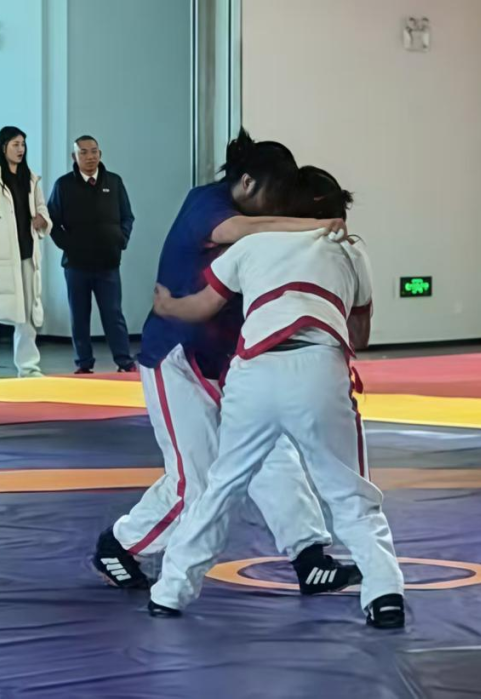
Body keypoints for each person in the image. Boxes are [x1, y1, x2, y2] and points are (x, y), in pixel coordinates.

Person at [92, 130, 360, 596]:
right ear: (248, 182)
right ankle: (120, 546)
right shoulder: (208, 203)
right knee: (194, 480)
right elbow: (237, 232)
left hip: (230, 362)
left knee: (273, 451)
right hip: (176, 358)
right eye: (276, 195)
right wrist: (318, 225)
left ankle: (310, 557)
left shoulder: (267, 226)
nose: (278, 208)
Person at [146, 166, 404, 627]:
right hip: (318, 368)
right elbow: (360, 334)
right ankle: (384, 593)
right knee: (348, 490)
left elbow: (201, 305)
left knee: (222, 486)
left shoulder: (253, 244)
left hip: (255, 371)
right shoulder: (350, 249)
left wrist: (165, 306)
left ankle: (169, 592)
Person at [0, 126, 52, 380]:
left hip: (26, 257)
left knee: (27, 315)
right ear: (3, 146)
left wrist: (43, 221)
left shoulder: (31, 179)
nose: (20, 149)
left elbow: (42, 209)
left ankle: (29, 367)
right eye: (15, 144)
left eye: (23, 144)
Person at [47, 136, 137, 374]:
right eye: (84, 152)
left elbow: (127, 216)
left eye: (94, 151)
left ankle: (124, 361)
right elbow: (51, 221)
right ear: (74, 157)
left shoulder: (113, 182)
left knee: (113, 314)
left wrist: (121, 240)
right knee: (79, 317)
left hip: (108, 263)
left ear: (100, 153)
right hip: (76, 265)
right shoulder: (63, 185)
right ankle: (84, 363)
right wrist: (68, 245)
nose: (90, 157)